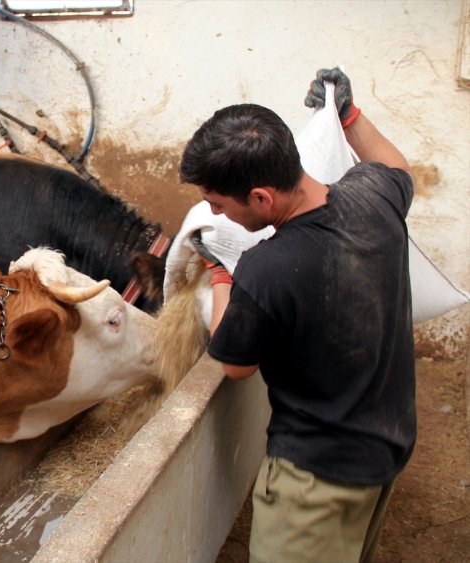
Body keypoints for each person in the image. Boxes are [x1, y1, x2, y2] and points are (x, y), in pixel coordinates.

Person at [178, 67, 417, 563]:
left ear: (261, 197)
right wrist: (350, 117)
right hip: (386, 448)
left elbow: (235, 364)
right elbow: (399, 167)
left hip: (317, 481)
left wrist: (224, 275)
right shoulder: (373, 196)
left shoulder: (266, 269)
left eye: (218, 205)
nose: (218, 216)